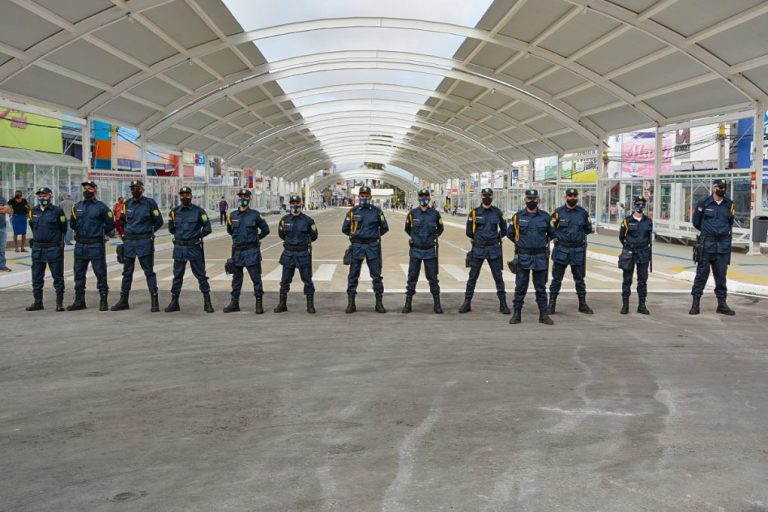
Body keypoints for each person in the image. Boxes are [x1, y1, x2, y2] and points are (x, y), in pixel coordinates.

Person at [110, 180, 164, 312]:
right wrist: (125, 235)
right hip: (129, 243)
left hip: (144, 242)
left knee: (149, 272)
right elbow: (121, 221)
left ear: (142, 189)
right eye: (133, 188)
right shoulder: (126, 204)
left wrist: (148, 233)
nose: (135, 190)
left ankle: (154, 301)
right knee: (127, 273)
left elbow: (159, 221)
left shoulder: (150, 203)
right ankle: (123, 301)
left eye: (137, 188)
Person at [458, 188, 510, 314]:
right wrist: (478, 239)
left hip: (493, 249)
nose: (487, 197)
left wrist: (496, 238)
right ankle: (467, 302)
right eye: (485, 195)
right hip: (478, 249)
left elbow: (504, 229)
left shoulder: (497, 212)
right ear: (481, 197)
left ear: (493, 197)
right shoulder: (474, 213)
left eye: (489, 195)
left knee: (498, 277)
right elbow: (469, 231)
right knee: (472, 277)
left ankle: (503, 304)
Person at [508, 189, 555, 325]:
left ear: (538, 200)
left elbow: (552, 233)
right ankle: (517, 314)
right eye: (530, 199)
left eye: (534, 199)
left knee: (540, 287)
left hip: (540, 256)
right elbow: (511, 234)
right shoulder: (517, 217)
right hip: (523, 256)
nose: (532, 201)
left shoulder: (546, 217)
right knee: (520, 286)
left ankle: (543, 314)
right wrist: (522, 244)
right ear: (525, 200)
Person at [689, 178, 736, 316]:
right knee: (701, 275)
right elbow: (696, 222)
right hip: (706, 245)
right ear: (714, 188)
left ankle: (722, 304)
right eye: (720, 187)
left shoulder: (730, 204)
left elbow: (730, 222)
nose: (723, 189)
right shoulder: (703, 202)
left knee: (721, 276)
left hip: (722, 245)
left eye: (724, 187)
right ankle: (695, 303)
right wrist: (708, 232)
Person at [67, 180, 116, 311]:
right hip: (80, 244)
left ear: (95, 190)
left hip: (96, 244)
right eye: (85, 188)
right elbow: (72, 223)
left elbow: (110, 224)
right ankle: (79, 301)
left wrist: (101, 233)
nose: (86, 191)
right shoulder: (76, 206)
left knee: (100, 273)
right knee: (78, 273)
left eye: (89, 188)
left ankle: (103, 300)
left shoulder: (101, 207)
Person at [165, 186, 214, 313]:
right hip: (179, 248)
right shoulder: (174, 212)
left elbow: (207, 228)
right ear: (179, 196)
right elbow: (171, 228)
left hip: (194, 248)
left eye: (187, 195)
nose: (185, 197)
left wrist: (196, 236)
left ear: (191, 196)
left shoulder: (199, 211)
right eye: (182, 195)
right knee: (177, 276)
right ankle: (174, 302)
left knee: (201, 276)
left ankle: (207, 302)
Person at [342, 185, 389, 313]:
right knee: (353, 275)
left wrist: (373, 236)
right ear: (359, 197)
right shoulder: (352, 212)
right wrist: (355, 236)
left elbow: (384, 227)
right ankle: (351, 304)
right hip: (357, 246)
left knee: (376, 275)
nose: (364, 197)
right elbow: (345, 228)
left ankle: (379, 304)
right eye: (362, 195)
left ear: (370, 197)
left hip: (372, 246)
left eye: (366, 195)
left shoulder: (377, 211)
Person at [222, 189, 270, 314]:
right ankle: (234, 303)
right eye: (241, 196)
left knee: (256, 278)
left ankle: (258, 304)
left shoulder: (255, 215)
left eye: (246, 196)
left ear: (250, 199)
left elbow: (266, 229)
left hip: (251, 251)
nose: (243, 198)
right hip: (237, 251)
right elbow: (230, 231)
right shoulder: (232, 216)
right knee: (236, 279)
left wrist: (256, 239)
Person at [547, 187, 594, 315]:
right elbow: (551, 228)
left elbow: (588, 229)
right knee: (557, 279)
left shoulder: (583, 213)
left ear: (577, 197)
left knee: (579, 279)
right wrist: (557, 238)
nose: (572, 198)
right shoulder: (558, 213)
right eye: (570, 196)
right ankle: (551, 305)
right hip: (562, 249)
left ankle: (582, 305)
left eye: (574, 196)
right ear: (565, 197)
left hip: (577, 250)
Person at [402, 188, 444, 314]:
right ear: (418, 198)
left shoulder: (435, 214)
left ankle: (437, 304)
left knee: (433, 278)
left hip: (430, 250)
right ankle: (408, 303)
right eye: (421, 196)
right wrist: (415, 238)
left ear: (429, 198)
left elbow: (440, 228)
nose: (423, 198)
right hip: (416, 250)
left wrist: (432, 238)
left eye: (426, 196)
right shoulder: (412, 213)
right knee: (412, 277)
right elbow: (407, 228)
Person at [274, 193, 318, 314]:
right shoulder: (284, 220)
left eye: (297, 203)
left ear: (301, 204)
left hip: (303, 254)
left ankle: (310, 305)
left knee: (307, 280)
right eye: (293, 203)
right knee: (285, 281)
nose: (295, 205)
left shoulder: (308, 221)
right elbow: (281, 235)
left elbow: (314, 236)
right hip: (288, 254)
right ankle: (282, 304)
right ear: (290, 205)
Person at [26, 187, 68, 311]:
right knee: (37, 276)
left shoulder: (57, 211)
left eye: (44, 196)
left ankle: (59, 303)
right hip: (38, 248)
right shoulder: (33, 211)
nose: (42, 198)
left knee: (57, 276)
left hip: (53, 248)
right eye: (40, 196)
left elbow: (63, 228)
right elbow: (33, 226)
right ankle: (38, 302)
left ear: (50, 197)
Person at [619, 196, 653, 315]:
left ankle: (642, 305)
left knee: (642, 280)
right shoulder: (627, 221)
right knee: (627, 280)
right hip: (630, 253)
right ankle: (625, 305)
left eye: (642, 205)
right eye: (638, 204)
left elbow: (649, 237)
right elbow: (621, 237)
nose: (640, 206)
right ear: (634, 205)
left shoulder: (648, 221)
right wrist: (629, 247)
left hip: (643, 253)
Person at [0, 193, 10, 271]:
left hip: (2, 227)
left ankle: (2, 265)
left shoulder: (2, 199)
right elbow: (5, 209)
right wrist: (2, 209)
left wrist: (4, 209)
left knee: (2, 248)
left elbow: (8, 210)